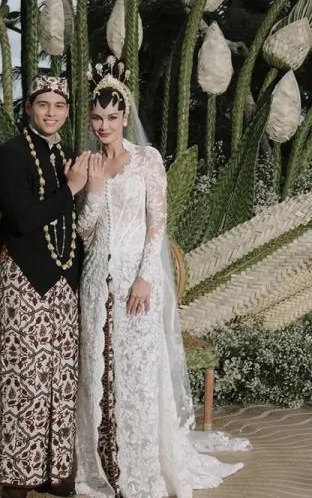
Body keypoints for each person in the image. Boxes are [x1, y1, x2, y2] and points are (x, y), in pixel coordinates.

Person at [75, 57, 248, 498]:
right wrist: (93, 191)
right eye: (96, 117)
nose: (103, 125)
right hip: (95, 281)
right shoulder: (89, 164)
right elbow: (84, 230)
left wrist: (145, 278)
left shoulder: (146, 159)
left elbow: (158, 224)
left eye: (112, 117)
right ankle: (101, 465)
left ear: (125, 116)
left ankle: (139, 469)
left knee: (136, 373)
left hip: (135, 280)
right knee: (98, 371)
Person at [0, 75, 90, 498]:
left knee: (62, 378)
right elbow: (21, 219)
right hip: (25, 279)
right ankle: (18, 477)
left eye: (59, 105)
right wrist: (71, 188)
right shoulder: (10, 155)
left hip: (65, 279)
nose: (51, 113)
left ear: (67, 111)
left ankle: (56, 472)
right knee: (25, 378)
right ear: (29, 107)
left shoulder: (67, 156)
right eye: (43, 104)